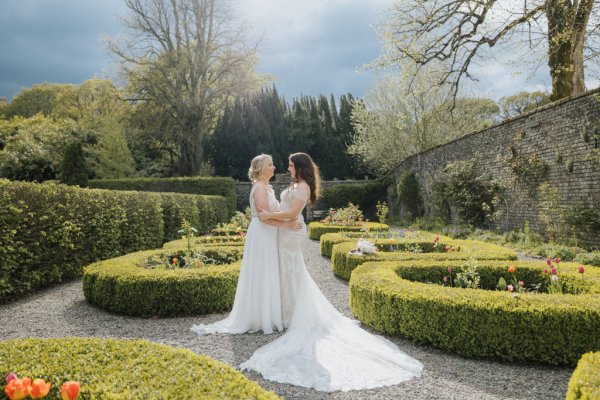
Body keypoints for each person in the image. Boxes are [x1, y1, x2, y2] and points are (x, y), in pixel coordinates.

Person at [241, 152, 423, 392]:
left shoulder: (303, 187)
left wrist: (268, 216)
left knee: (292, 271)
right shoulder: (293, 184)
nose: (287, 168)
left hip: (291, 231)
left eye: (291, 165)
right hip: (283, 231)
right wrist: (272, 218)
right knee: (285, 272)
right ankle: (285, 311)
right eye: (286, 165)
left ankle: (292, 314)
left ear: (301, 167)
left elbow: (292, 214)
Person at [191, 154, 300, 335]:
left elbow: (272, 214)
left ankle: (271, 315)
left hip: (270, 234)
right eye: (270, 165)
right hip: (262, 234)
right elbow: (264, 217)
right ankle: (258, 317)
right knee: (262, 272)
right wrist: (287, 224)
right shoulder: (259, 188)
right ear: (261, 169)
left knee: (269, 272)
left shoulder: (268, 187)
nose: (274, 167)